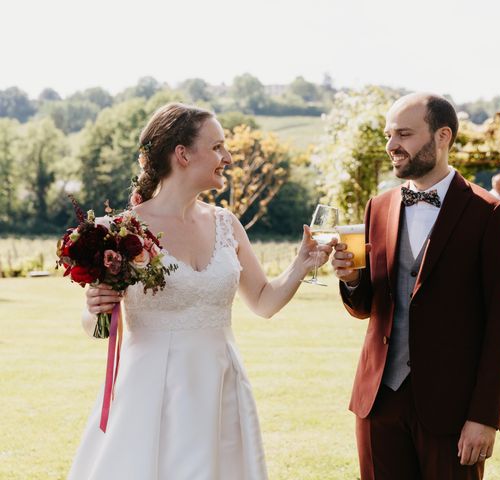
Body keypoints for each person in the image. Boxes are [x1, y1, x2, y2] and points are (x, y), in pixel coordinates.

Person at [68, 103, 334, 480]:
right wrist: (92, 308)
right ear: (182, 154)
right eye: (218, 147)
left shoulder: (226, 224)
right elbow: (99, 326)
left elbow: (263, 301)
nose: (226, 157)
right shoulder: (120, 231)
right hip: (149, 389)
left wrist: (300, 265)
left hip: (219, 385)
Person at [331, 93, 500, 480]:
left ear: (442, 136)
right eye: (388, 135)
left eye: (403, 134)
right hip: (378, 402)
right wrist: (351, 280)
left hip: (452, 409)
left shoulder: (490, 214)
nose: (391, 146)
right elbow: (368, 305)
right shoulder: (378, 207)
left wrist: (484, 417)